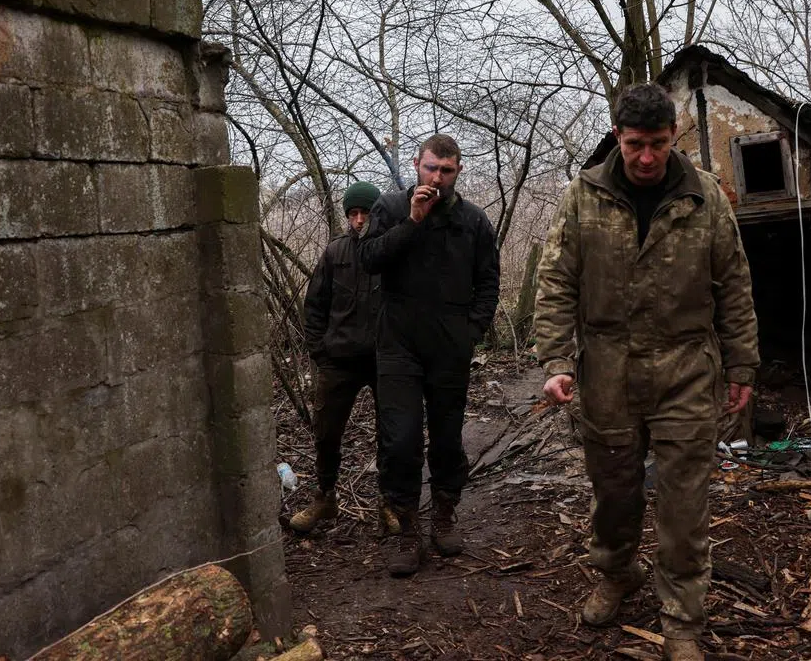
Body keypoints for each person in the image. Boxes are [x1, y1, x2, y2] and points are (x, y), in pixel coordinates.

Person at [534, 83, 759, 661]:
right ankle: (616, 573)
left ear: (673, 136)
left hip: (686, 365)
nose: (647, 157)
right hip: (606, 368)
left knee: (684, 501)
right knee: (614, 491)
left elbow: (733, 285)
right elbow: (556, 283)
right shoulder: (582, 197)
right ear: (617, 137)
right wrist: (557, 361)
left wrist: (742, 364)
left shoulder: (703, 197)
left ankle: (683, 615)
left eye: (658, 144)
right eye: (635, 144)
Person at [358, 133, 500, 576]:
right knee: (399, 440)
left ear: (458, 172)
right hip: (398, 345)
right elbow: (369, 259)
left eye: (446, 171)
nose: (436, 178)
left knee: (445, 437)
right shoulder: (389, 208)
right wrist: (413, 221)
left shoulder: (473, 221)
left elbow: (489, 284)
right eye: (430, 168)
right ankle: (406, 529)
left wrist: (470, 332)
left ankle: (443, 514)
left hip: (448, 348)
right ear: (417, 165)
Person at [292, 181, 397, 535]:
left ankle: (390, 503)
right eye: (352, 213)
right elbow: (315, 306)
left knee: (393, 433)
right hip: (338, 360)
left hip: (385, 358)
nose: (358, 220)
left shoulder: (390, 250)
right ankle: (324, 498)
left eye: (365, 212)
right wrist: (320, 352)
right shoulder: (335, 253)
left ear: (376, 213)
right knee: (326, 432)